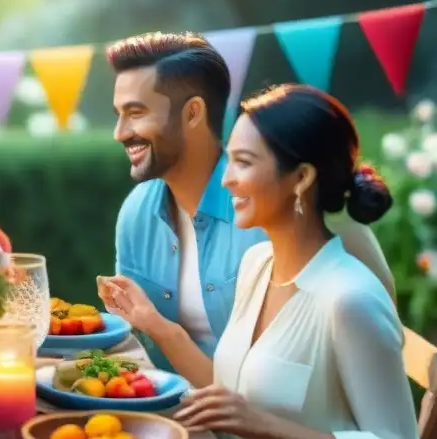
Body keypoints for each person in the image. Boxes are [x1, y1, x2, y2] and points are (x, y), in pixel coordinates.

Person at [117, 85, 421, 439]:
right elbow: (229, 393)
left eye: (242, 163)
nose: (227, 181)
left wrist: (266, 426)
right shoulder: (259, 264)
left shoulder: (349, 300)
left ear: (300, 178)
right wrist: (155, 330)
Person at [97, 32, 395, 372]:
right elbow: (127, 336)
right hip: (168, 417)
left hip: (260, 419)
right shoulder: (137, 212)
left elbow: (377, 326)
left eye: (135, 113)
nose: (119, 132)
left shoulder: (284, 206)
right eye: (119, 114)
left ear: (192, 113)